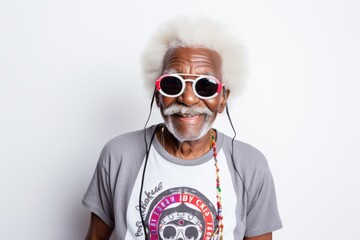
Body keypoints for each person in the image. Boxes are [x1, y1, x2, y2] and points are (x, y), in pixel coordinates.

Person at [83, 17, 282, 240]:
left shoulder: (250, 165)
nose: (187, 99)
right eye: (172, 84)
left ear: (223, 99)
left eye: (205, 86)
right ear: (158, 95)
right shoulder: (119, 155)